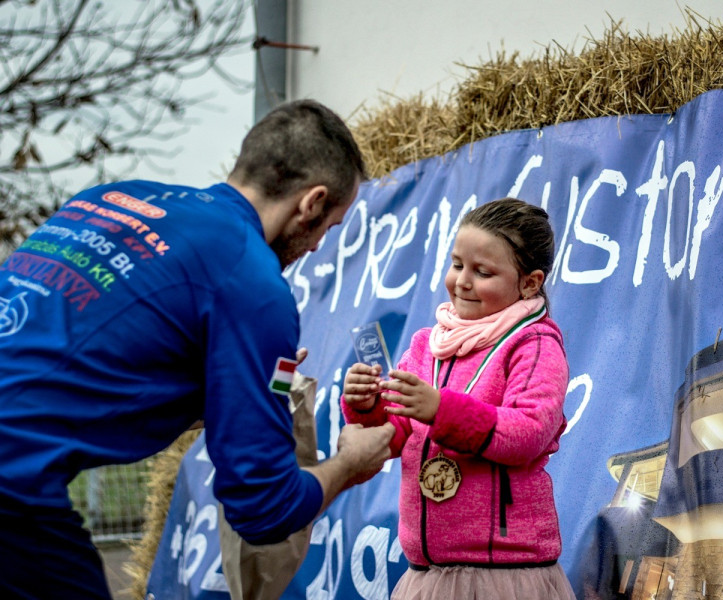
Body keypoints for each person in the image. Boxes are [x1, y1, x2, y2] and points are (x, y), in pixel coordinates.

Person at [0, 99, 394, 599]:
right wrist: (348, 465)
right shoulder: (251, 281)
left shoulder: (111, 200)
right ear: (311, 203)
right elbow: (263, 507)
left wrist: (233, 399)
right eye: (328, 227)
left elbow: (78, 362)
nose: (317, 247)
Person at [342, 198, 576, 600]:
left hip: (505, 578)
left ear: (530, 283)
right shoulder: (426, 345)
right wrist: (367, 407)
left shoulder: (535, 344)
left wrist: (440, 410)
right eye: (457, 265)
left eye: (482, 272)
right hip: (428, 576)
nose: (462, 282)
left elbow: (529, 432)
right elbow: (398, 432)